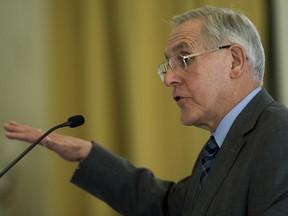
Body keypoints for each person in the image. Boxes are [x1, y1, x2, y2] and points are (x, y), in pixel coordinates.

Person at [3, 6, 288, 216]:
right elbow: (167, 207)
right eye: (168, 64)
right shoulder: (219, 147)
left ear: (235, 61)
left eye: (185, 58)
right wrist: (88, 155)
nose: (168, 78)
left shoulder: (279, 136)